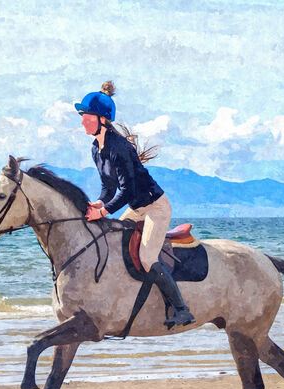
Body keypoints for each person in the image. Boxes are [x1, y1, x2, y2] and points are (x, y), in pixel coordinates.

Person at [75, 81, 195, 328]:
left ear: (102, 119)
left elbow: (127, 189)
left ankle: (182, 309)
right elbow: (109, 187)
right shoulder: (96, 148)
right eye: (82, 116)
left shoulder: (119, 147)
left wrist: (105, 211)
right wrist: (97, 203)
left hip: (155, 207)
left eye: (86, 116)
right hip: (137, 207)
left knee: (147, 257)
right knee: (114, 242)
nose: (83, 121)